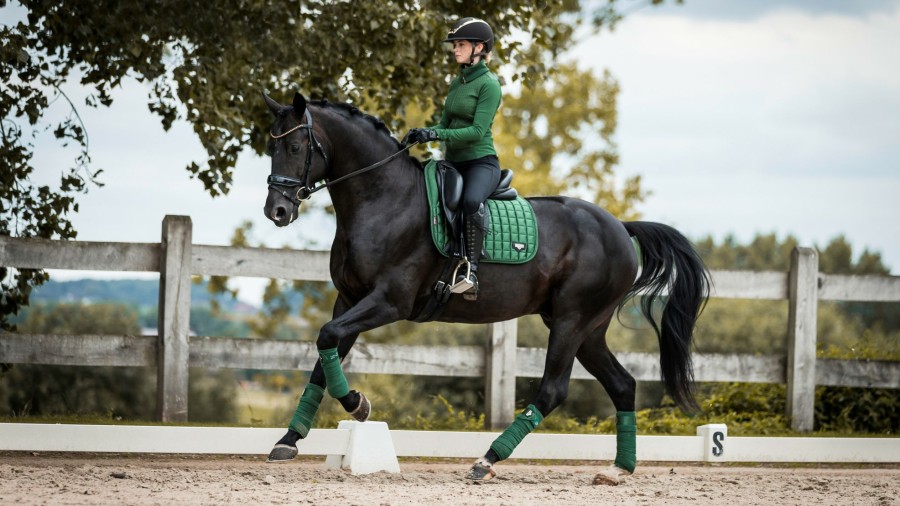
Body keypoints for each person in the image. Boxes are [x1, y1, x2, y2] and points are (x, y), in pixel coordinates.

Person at [404, 17, 502, 300]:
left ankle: (471, 270)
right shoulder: (456, 83)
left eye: (460, 44)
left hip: (480, 162)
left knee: (471, 201)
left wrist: (435, 133)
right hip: (453, 162)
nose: (455, 50)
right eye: (456, 45)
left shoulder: (489, 85)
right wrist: (423, 133)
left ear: (479, 48)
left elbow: (476, 131)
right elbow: (445, 121)